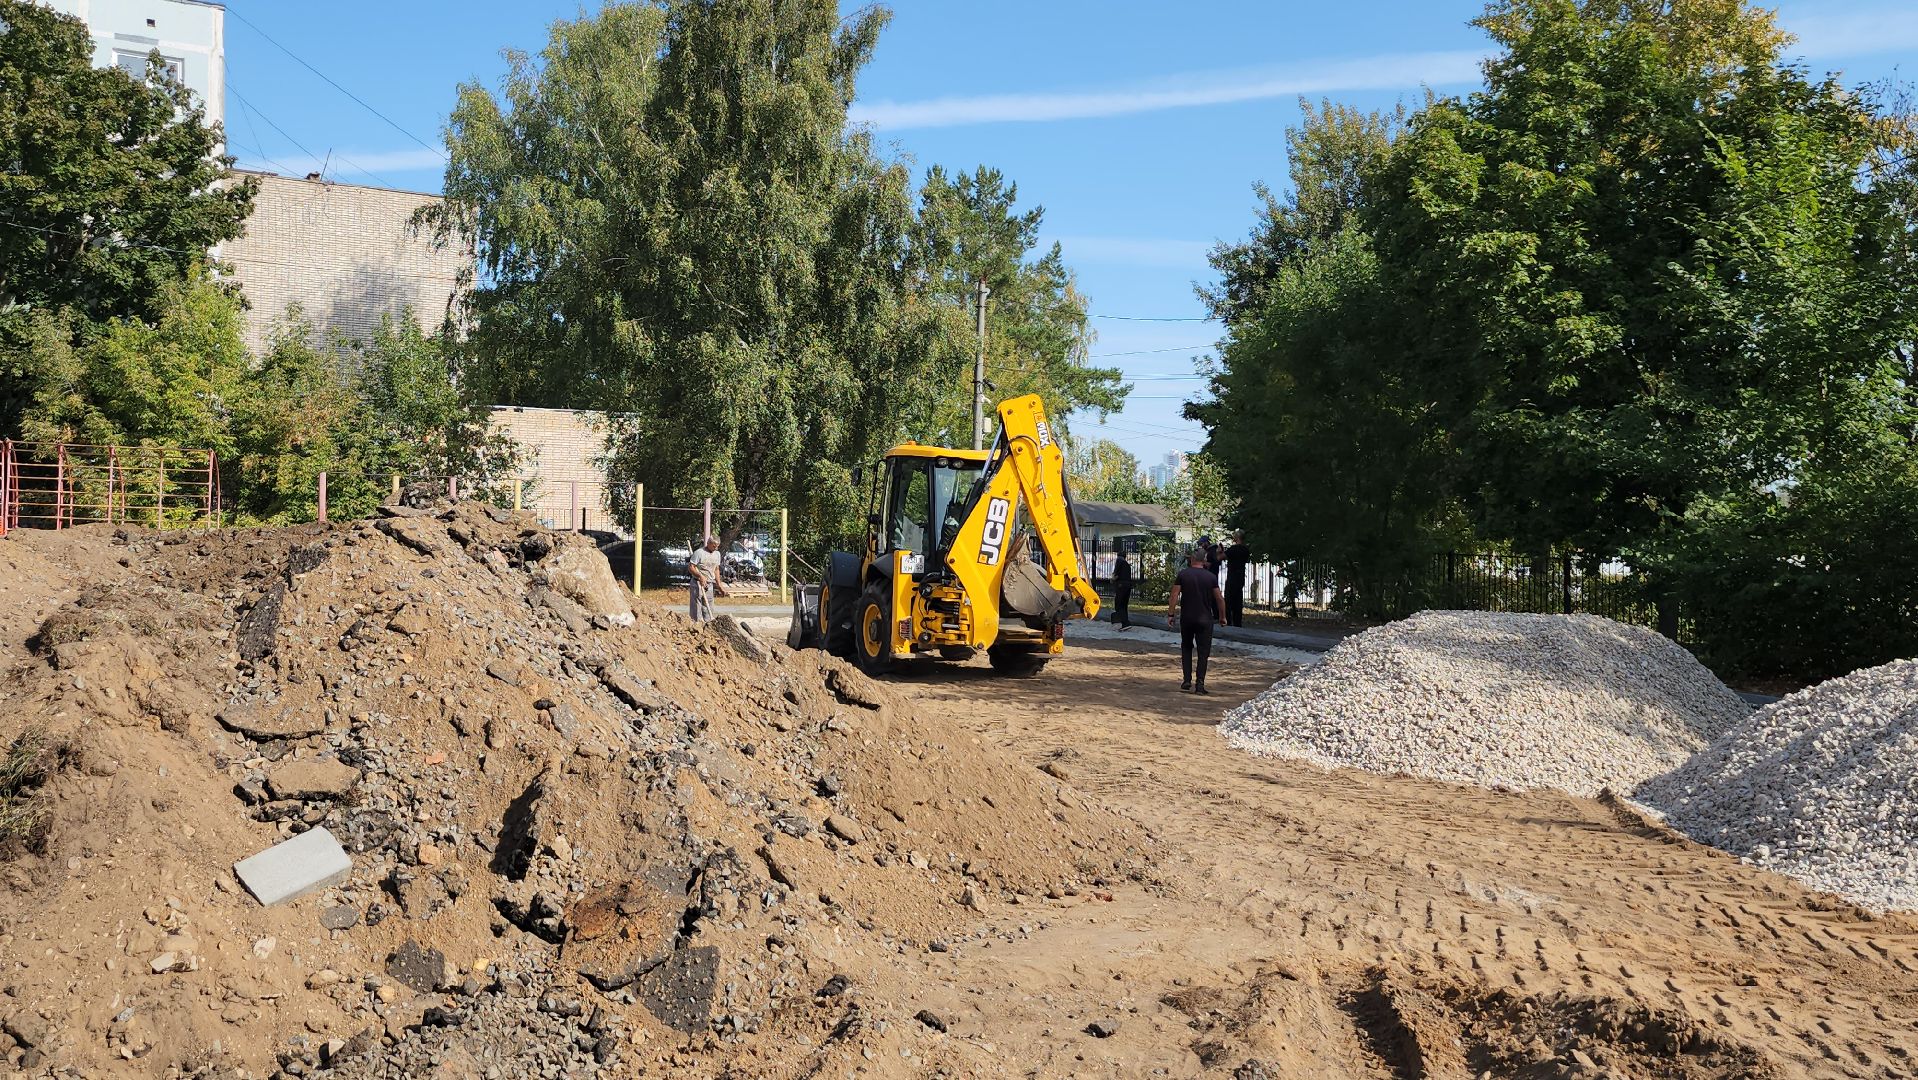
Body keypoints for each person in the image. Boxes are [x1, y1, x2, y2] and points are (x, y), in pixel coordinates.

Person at [1166, 546, 1225, 694]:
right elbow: (1219, 599)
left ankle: (1187, 680)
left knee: (1186, 647)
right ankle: (1200, 684)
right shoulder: (1210, 577)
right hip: (1205, 618)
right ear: (1204, 560)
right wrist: (1222, 617)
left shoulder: (1183, 574)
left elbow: (1174, 595)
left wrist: (1171, 614)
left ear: (1192, 559)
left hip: (1187, 617)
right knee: (1203, 651)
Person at [687, 535, 722, 623]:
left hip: (709, 584)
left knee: (708, 606)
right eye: (714, 546)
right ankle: (696, 624)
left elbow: (716, 569)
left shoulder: (717, 554)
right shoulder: (699, 553)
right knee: (696, 607)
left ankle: (708, 624)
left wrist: (719, 585)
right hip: (697, 583)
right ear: (708, 543)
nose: (716, 548)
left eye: (717, 546)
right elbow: (691, 567)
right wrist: (700, 576)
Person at [1223, 530, 1251, 628]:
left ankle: (1228, 621)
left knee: (1228, 599)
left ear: (1237, 538)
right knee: (1238, 600)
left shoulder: (1233, 549)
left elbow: (1221, 557)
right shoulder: (1245, 550)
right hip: (1240, 576)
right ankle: (1237, 622)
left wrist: (1220, 551)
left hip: (1232, 576)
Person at [1112, 548, 1134, 630]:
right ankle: (1125, 622)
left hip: (1121, 586)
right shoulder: (1127, 565)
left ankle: (1125, 623)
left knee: (1119, 605)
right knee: (1124, 605)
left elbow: (1116, 575)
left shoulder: (1119, 561)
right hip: (1128, 586)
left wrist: (1112, 579)